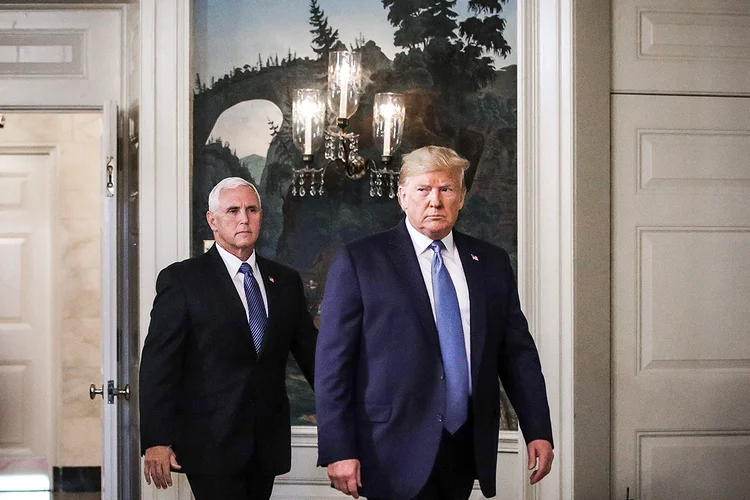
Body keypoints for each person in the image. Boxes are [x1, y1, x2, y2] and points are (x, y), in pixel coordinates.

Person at [315, 146, 554, 500]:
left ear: (461, 198)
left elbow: (517, 353)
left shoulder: (490, 262)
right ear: (403, 197)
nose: (435, 201)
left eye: (446, 189)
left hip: (464, 444)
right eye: (423, 190)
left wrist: (538, 429)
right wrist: (337, 447)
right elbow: (333, 364)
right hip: (390, 447)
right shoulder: (361, 260)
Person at [139, 177, 317, 500]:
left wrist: (354, 411)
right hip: (209, 445)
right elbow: (157, 366)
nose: (244, 219)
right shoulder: (182, 281)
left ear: (261, 216)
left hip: (266, 445)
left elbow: (315, 358)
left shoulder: (286, 282)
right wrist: (156, 439)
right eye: (233, 210)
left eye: (251, 209)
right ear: (213, 221)